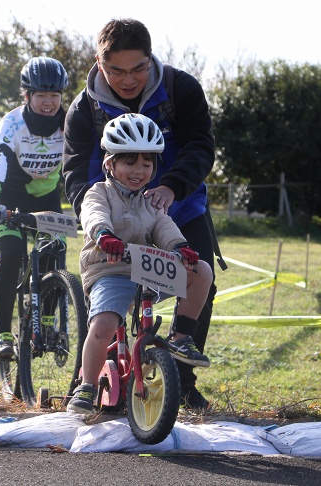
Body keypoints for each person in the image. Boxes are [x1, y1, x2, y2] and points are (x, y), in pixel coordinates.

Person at [63, 18, 220, 410]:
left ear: (150, 60)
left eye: (138, 69)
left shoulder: (180, 89)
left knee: (202, 279)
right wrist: (99, 223)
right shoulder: (84, 110)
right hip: (112, 218)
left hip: (177, 207)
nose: (128, 79)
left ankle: (181, 379)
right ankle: (87, 380)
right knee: (105, 300)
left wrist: (171, 187)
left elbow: (201, 145)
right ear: (99, 63)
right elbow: (75, 171)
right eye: (116, 70)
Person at [0, 56, 69, 358]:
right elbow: (0, 163)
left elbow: (79, 166)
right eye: (41, 95)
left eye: (54, 96)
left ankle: (46, 321)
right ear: (27, 96)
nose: (48, 102)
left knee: (54, 254)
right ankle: (4, 333)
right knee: (11, 254)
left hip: (46, 199)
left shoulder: (68, 123)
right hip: (8, 197)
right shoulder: (12, 123)